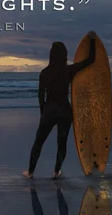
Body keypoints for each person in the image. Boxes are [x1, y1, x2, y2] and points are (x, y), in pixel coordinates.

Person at [23, 31, 97, 179]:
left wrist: (43, 112)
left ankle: (30, 172)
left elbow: (40, 95)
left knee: (39, 142)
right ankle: (56, 172)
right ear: (64, 55)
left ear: (51, 54)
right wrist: (93, 41)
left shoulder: (44, 73)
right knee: (61, 143)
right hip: (65, 111)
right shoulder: (68, 70)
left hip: (49, 111)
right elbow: (90, 60)